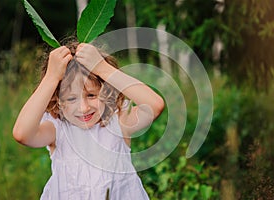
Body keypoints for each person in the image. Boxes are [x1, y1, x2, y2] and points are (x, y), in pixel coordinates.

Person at [13, 38, 164, 200]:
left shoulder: (118, 122)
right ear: (58, 100)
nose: (83, 108)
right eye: (71, 99)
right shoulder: (57, 130)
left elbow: (154, 106)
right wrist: (51, 77)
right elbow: (22, 134)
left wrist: (102, 68)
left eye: (91, 95)